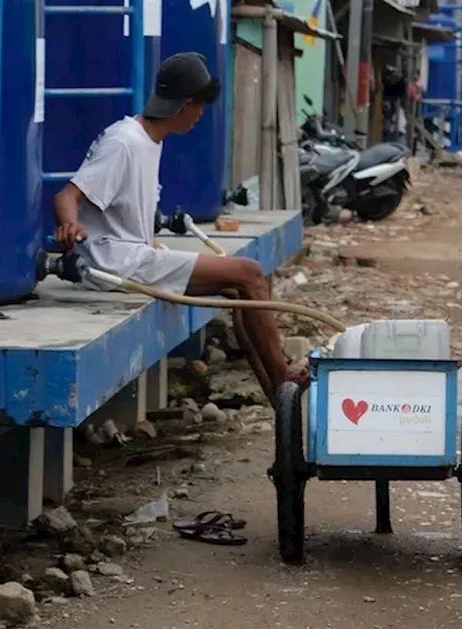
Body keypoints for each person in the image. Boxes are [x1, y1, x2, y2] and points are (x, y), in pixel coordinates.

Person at [52, 52, 309, 401]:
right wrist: (69, 224)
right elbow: (66, 195)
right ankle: (282, 378)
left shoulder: (148, 140)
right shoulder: (124, 142)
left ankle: (277, 395)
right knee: (248, 273)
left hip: (133, 255)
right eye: (200, 107)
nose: (201, 116)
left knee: (242, 291)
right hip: (114, 264)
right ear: (187, 105)